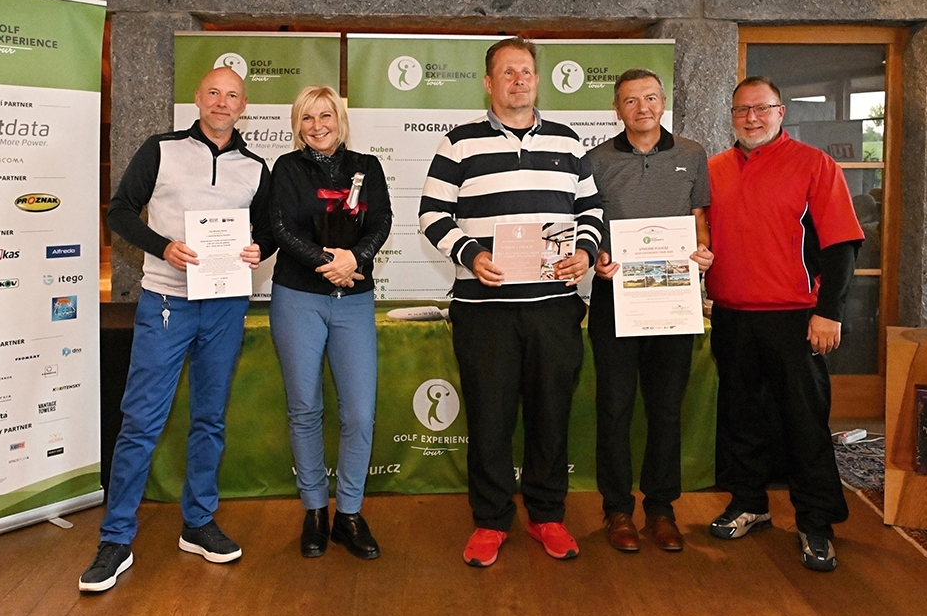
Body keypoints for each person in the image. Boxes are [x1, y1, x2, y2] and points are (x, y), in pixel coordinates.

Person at [79, 66, 276, 593]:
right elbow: (120, 213)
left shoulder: (255, 167)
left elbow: (268, 232)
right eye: (213, 92)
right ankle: (115, 538)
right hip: (167, 301)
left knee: (210, 418)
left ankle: (198, 522)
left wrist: (260, 250)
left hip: (225, 305)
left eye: (232, 95)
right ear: (197, 98)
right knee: (141, 420)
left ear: (243, 106)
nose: (222, 102)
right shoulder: (160, 149)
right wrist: (162, 246)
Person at [419, 37, 604, 567]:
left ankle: (547, 515)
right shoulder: (458, 143)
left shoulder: (569, 142)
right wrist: (471, 253)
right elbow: (431, 214)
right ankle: (491, 520)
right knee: (490, 419)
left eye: (526, 71)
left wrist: (585, 252)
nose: (518, 80)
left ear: (537, 80)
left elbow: (592, 211)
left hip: (554, 308)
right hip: (484, 311)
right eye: (507, 72)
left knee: (551, 415)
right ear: (488, 82)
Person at [705, 75, 863, 573]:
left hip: (796, 317)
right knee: (740, 418)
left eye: (761, 108)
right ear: (732, 116)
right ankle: (748, 502)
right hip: (731, 315)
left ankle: (815, 522)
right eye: (741, 110)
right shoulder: (713, 170)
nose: (751, 118)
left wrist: (830, 311)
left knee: (803, 422)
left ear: (781, 112)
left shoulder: (814, 165)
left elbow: (841, 245)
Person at [587, 69, 712, 554]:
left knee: (665, 409)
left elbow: (699, 219)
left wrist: (703, 251)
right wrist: (597, 257)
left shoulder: (692, 154)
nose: (642, 108)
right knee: (614, 407)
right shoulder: (595, 160)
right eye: (631, 100)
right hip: (614, 295)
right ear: (617, 109)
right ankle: (617, 509)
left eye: (651, 98)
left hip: (672, 298)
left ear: (663, 103)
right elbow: (588, 224)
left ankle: (661, 508)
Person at [269, 85, 392, 560]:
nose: (317, 126)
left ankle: (350, 514)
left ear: (340, 120)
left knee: (359, 412)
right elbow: (281, 228)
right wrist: (330, 263)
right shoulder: (286, 168)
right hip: (298, 298)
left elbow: (381, 221)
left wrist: (354, 260)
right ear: (297, 125)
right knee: (305, 408)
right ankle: (315, 510)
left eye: (326, 116)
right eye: (307, 118)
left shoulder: (368, 166)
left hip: (354, 300)